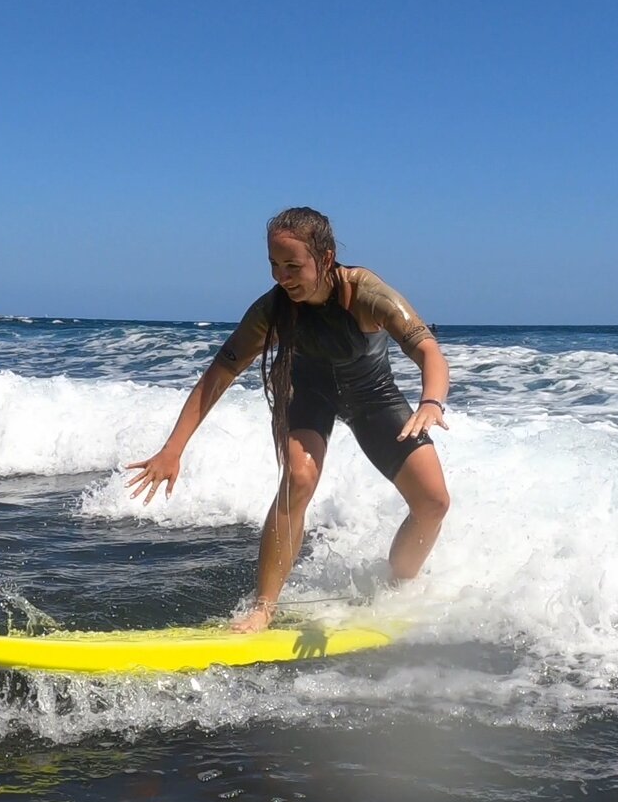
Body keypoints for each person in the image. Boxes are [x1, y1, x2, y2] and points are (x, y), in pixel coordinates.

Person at [125, 207, 453, 632]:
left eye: (293, 266)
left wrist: (431, 403)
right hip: (306, 393)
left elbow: (428, 349)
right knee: (299, 478)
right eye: (274, 266)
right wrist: (173, 449)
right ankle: (264, 606)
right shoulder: (272, 311)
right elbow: (218, 375)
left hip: (372, 396)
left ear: (327, 258)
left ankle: (398, 588)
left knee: (433, 502)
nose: (283, 277)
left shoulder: (368, 294)